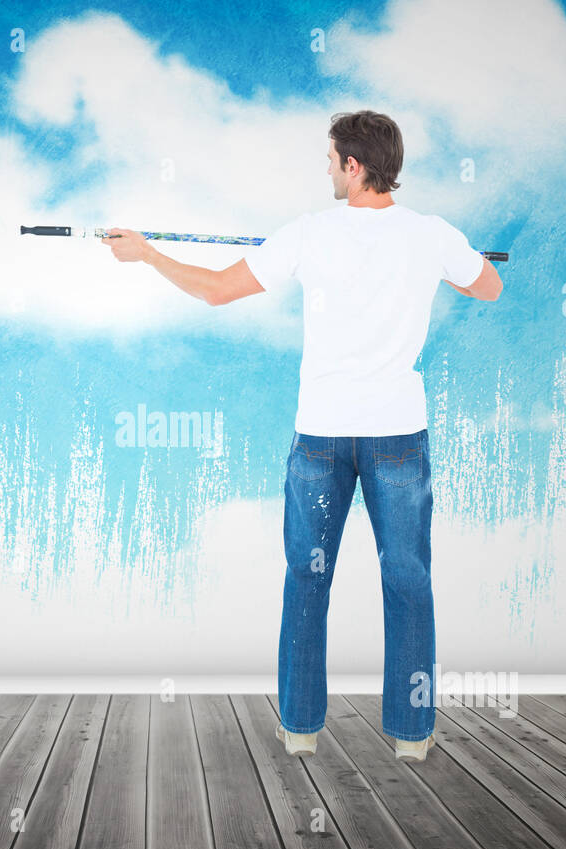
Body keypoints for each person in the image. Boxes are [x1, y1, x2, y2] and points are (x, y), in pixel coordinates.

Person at [101, 109, 503, 762]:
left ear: (354, 164)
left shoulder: (308, 234)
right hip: (397, 438)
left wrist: (144, 252)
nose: (326, 169)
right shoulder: (431, 235)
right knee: (408, 580)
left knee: (306, 580)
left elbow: (213, 291)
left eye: (330, 159)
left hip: (322, 440)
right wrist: (456, 258)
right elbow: (489, 286)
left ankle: (301, 730)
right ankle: (411, 738)